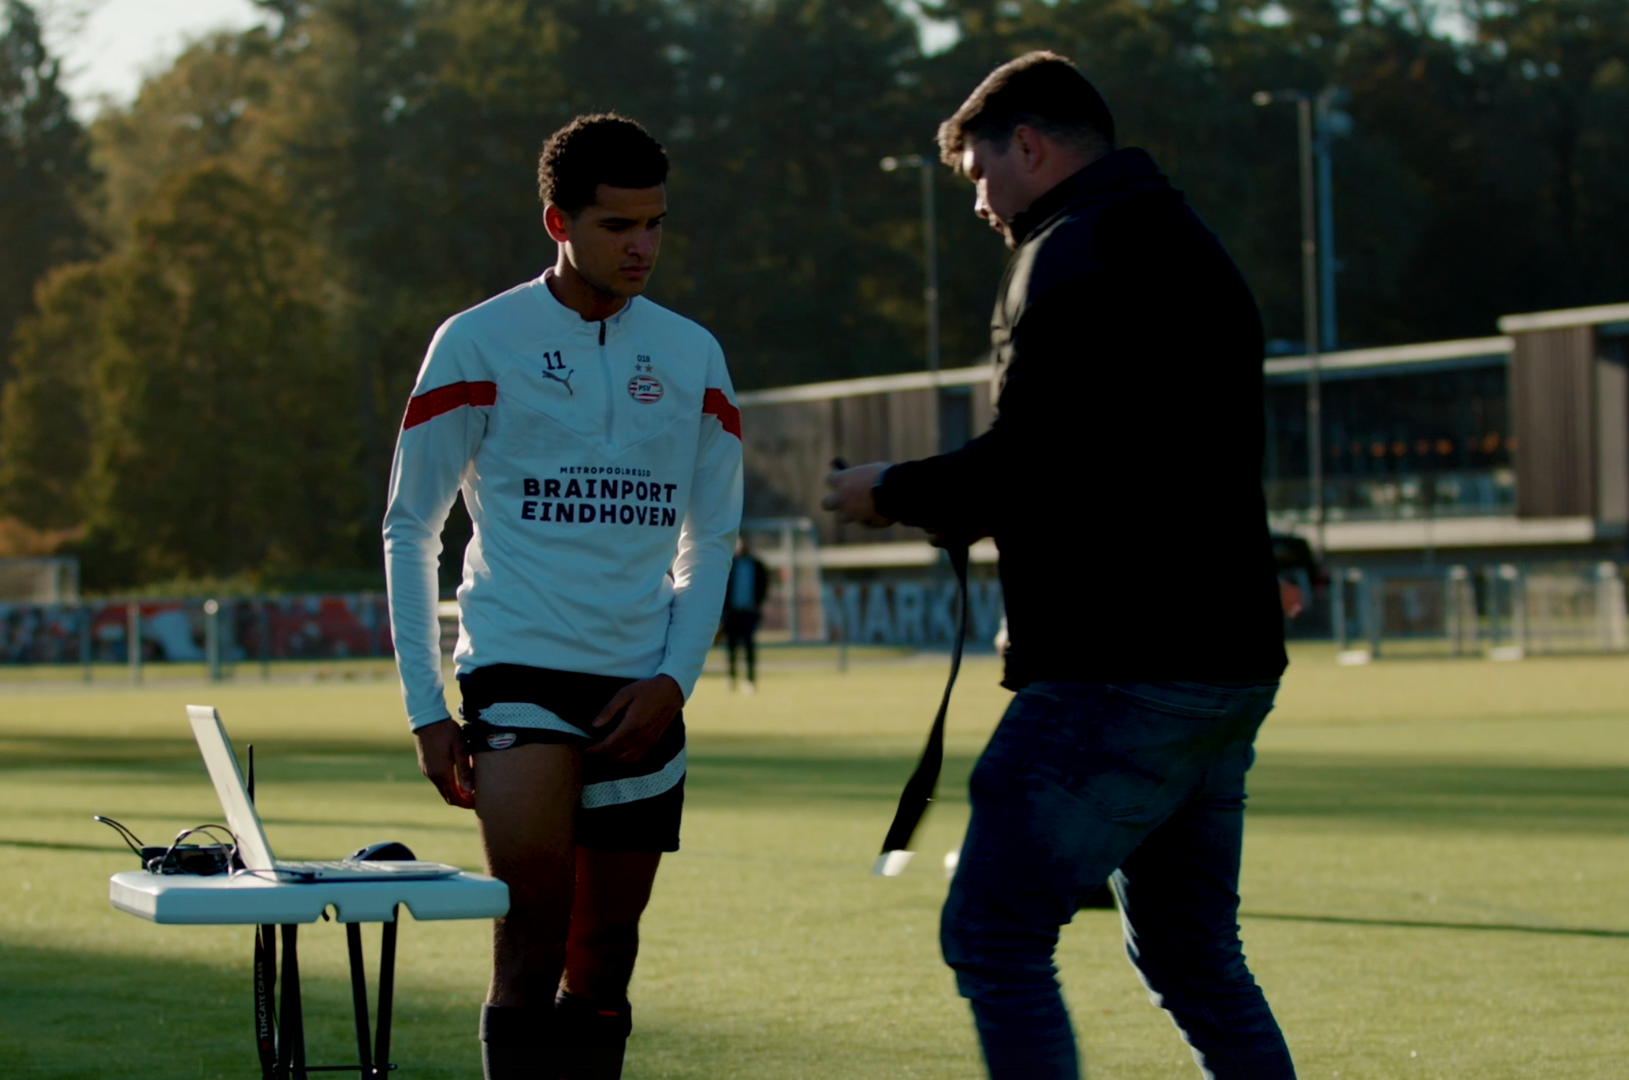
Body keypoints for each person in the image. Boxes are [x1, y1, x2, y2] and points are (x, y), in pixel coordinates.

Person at [822, 53, 1294, 1080]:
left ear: (1027, 145)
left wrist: (889, 490)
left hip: (1117, 664)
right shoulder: (1185, 240)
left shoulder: (1072, 252)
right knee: (1194, 955)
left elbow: (1035, 464)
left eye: (982, 177)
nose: (983, 206)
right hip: (1227, 660)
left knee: (993, 934)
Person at [384, 114, 742, 1080]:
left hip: (643, 686)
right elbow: (411, 528)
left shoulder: (694, 354)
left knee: (605, 962)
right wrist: (427, 710)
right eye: (619, 224)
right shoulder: (475, 342)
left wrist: (675, 680)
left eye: (656, 224)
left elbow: (712, 537)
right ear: (558, 221)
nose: (642, 245)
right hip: (518, 674)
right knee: (529, 943)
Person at [721, 537, 769, 692]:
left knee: (749, 646)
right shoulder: (730, 565)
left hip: (749, 612)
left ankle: (750, 680)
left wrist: (759, 605)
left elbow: (763, 586)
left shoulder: (757, 565)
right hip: (732, 612)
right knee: (731, 647)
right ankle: (731, 677)